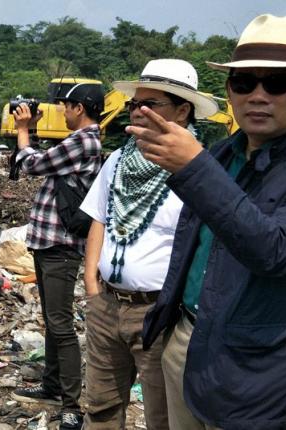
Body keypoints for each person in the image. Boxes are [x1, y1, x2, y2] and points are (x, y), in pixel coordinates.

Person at [136, 15, 286, 429]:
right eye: (244, 83)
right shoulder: (222, 155)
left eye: (277, 84)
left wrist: (193, 166)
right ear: (230, 91)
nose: (258, 96)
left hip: (261, 368)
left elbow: (275, 250)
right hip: (188, 343)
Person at [79, 59, 218, 429]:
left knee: (163, 414)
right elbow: (100, 219)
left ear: (183, 110)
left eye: (150, 104)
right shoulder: (117, 161)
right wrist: (93, 287)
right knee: (101, 406)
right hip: (107, 304)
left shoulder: (200, 170)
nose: (137, 112)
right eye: (133, 105)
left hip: (160, 311)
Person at [9, 83, 104, 429]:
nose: (62, 112)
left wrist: (23, 131)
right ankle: (51, 385)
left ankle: (71, 406)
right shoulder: (81, 141)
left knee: (61, 325)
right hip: (51, 243)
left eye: (65, 106)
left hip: (62, 246)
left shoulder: (84, 140)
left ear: (79, 108)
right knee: (53, 321)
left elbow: (33, 164)